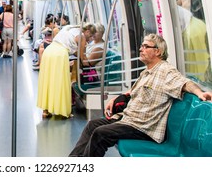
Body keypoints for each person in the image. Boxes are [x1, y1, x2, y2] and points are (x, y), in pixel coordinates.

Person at [69, 33, 212, 157]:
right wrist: (118, 98)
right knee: (92, 125)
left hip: (143, 127)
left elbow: (184, 83)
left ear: (158, 51)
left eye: (145, 46)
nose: (140, 49)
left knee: (101, 133)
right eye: (141, 46)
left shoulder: (165, 71)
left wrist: (200, 92)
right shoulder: (147, 72)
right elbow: (134, 92)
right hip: (129, 120)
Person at [37, 25, 92, 118]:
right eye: (90, 36)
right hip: (60, 55)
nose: (90, 39)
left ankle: (45, 111)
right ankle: (62, 111)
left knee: (48, 80)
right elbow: (82, 56)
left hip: (49, 51)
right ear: (87, 31)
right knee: (61, 82)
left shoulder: (68, 29)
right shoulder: (81, 36)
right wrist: (90, 65)